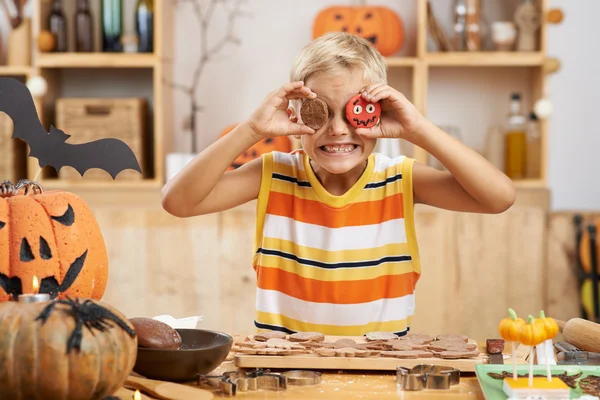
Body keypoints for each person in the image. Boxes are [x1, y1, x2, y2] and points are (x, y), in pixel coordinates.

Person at [161, 32, 516, 336]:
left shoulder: (401, 180)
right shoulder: (273, 174)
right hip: (286, 376)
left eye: (353, 109)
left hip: (379, 375)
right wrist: (251, 130)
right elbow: (177, 202)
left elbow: (499, 197)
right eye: (321, 111)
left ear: (379, 110)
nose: (337, 129)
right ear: (297, 111)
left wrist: (417, 129)